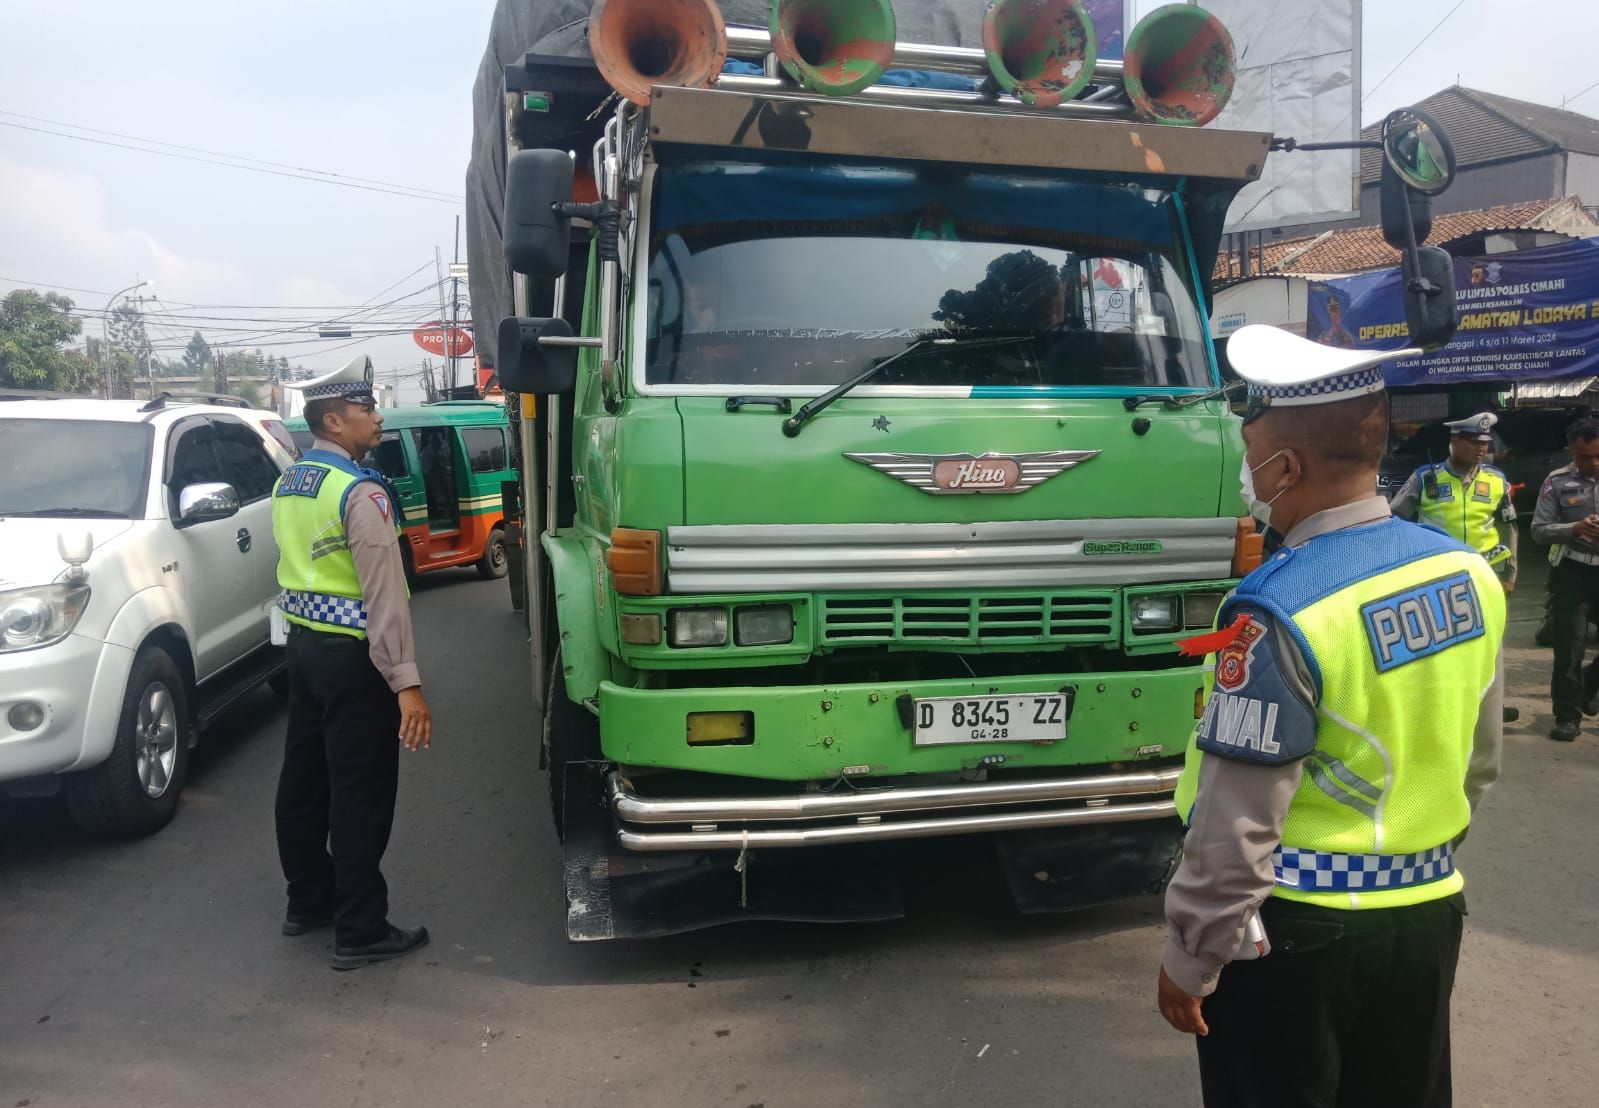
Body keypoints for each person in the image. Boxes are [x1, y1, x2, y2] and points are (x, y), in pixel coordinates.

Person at [1158, 324, 1506, 1108]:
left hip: (1293, 936)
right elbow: (1476, 762)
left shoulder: (1277, 609)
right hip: (1425, 915)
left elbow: (1234, 827)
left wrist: (1191, 956)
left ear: (1285, 466)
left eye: (1252, 461)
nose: (1248, 478)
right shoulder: (1467, 573)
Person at [273, 355, 433, 970]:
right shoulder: (360, 492)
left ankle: (307, 900)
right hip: (354, 658)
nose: (377, 416)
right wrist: (406, 683)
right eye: (367, 409)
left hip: (305, 650)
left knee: (304, 779)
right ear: (336, 422)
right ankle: (361, 927)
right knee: (359, 791)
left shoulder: (291, 482)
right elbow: (383, 593)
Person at [1389, 411, 1518, 593]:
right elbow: (1394, 520)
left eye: (1485, 442)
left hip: (1485, 569)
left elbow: (1509, 528)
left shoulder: (1496, 479)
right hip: (1437, 571)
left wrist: (1510, 575)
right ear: (1455, 442)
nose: (1481, 448)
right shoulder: (1425, 478)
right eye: (1474, 442)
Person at [1531, 416, 1599, 742]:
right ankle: (1567, 716)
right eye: (1585, 457)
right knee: (1570, 646)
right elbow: (1539, 530)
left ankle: (1588, 685)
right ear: (1570, 451)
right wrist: (1573, 529)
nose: (1594, 463)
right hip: (1572, 571)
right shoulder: (1555, 482)